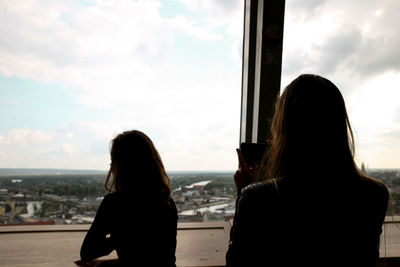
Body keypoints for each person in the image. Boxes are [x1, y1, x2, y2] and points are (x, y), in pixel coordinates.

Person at [226, 74, 389, 267]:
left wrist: (245, 191)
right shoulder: (375, 195)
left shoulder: (256, 199)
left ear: (285, 132)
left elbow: (237, 264)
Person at [78, 130, 178, 267]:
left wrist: (119, 238)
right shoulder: (166, 203)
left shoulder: (114, 204)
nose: (110, 166)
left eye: (113, 161)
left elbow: (87, 252)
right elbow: (158, 259)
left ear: (120, 166)